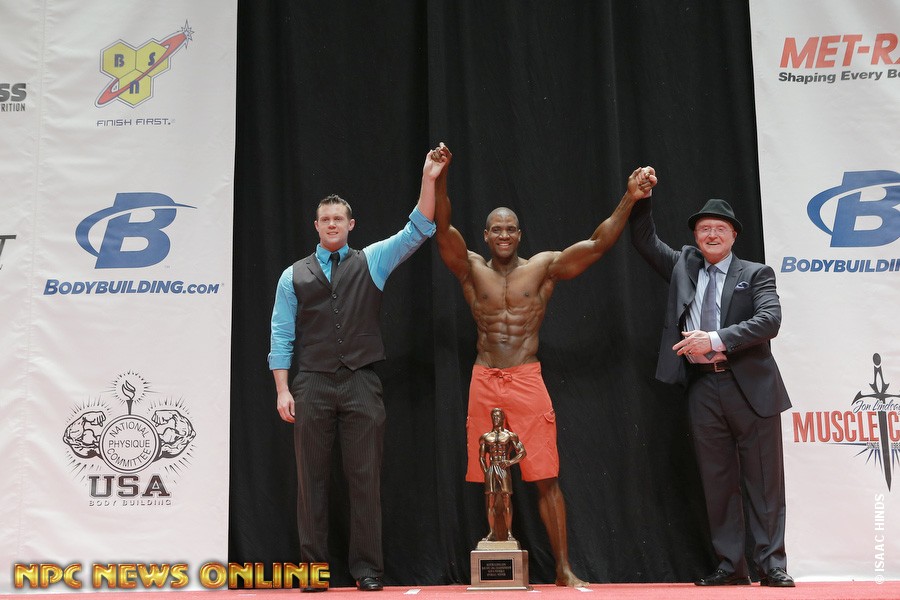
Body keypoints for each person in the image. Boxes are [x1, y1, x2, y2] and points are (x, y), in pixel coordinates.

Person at [433, 146, 654, 587]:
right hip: (485, 377)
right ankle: (498, 564)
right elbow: (441, 227)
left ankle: (563, 569)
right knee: (492, 476)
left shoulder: (543, 267)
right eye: (496, 229)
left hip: (526, 378)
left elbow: (598, 244)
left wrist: (630, 197)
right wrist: (439, 177)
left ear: (520, 234)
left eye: (510, 229)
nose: (503, 235)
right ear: (485, 235)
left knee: (546, 476)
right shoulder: (470, 269)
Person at [268, 144, 450, 592]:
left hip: (361, 382)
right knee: (310, 482)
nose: (332, 224)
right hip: (311, 383)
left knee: (365, 479)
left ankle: (367, 570)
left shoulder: (373, 260)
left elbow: (418, 228)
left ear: (351, 225)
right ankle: (313, 572)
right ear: (315, 226)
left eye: (339, 219)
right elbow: (281, 335)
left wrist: (428, 178)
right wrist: (283, 389)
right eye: (325, 219)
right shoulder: (292, 276)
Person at [628, 172, 795, 588]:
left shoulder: (756, 273)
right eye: (704, 229)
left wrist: (715, 339)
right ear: (696, 237)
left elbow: (770, 320)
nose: (712, 235)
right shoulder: (683, 268)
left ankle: (771, 564)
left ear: (734, 235)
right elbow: (644, 240)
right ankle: (730, 565)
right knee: (717, 481)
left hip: (750, 387)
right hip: (703, 387)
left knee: (764, 481)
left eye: (720, 228)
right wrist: (642, 198)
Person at [479, 407, 527, 543]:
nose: (496, 419)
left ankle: (509, 532)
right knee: (491, 501)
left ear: (503, 418)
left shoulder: (510, 436)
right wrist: (486, 472)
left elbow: (522, 452)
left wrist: (510, 462)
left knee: (506, 499)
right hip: (492, 467)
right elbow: (481, 458)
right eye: (493, 416)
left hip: (504, 468)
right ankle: (491, 532)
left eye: (498, 416)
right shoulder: (485, 437)